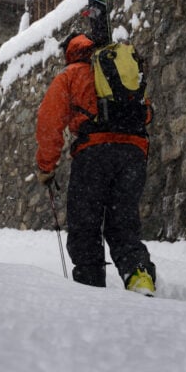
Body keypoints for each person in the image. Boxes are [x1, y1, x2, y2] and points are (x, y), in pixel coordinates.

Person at [35, 32, 156, 294]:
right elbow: (145, 112)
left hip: (93, 154)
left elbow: (49, 121)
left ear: (70, 51)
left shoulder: (71, 74)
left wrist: (46, 166)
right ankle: (139, 275)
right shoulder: (121, 68)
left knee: (85, 224)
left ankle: (91, 290)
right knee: (124, 222)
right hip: (133, 152)